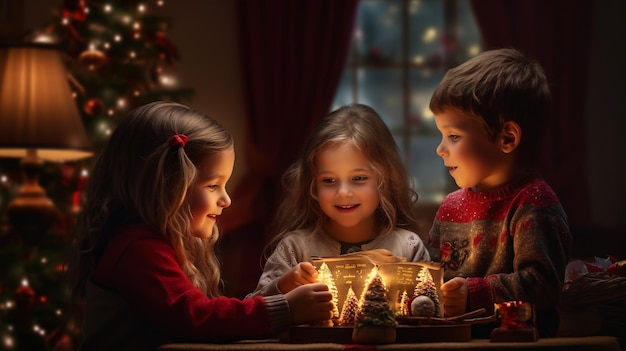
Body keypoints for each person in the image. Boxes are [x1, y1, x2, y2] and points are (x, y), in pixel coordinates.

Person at [66, 101, 334, 350]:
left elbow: (208, 314)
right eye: (213, 186)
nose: (227, 200)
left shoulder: (151, 245)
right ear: (168, 187)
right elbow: (195, 318)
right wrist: (285, 308)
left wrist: (278, 291)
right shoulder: (138, 250)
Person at [425, 48, 572, 338]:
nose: (440, 149)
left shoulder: (534, 203)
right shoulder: (450, 207)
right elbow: (431, 273)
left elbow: (543, 284)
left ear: (507, 138)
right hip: (453, 340)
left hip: (517, 341)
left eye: (453, 136)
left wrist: (473, 293)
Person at [247, 103, 430, 298]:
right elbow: (253, 313)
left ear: (385, 179)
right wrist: (282, 286)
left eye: (358, 178)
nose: (343, 193)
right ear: (312, 185)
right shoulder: (295, 249)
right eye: (329, 180)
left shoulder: (408, 247)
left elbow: (433, 315)